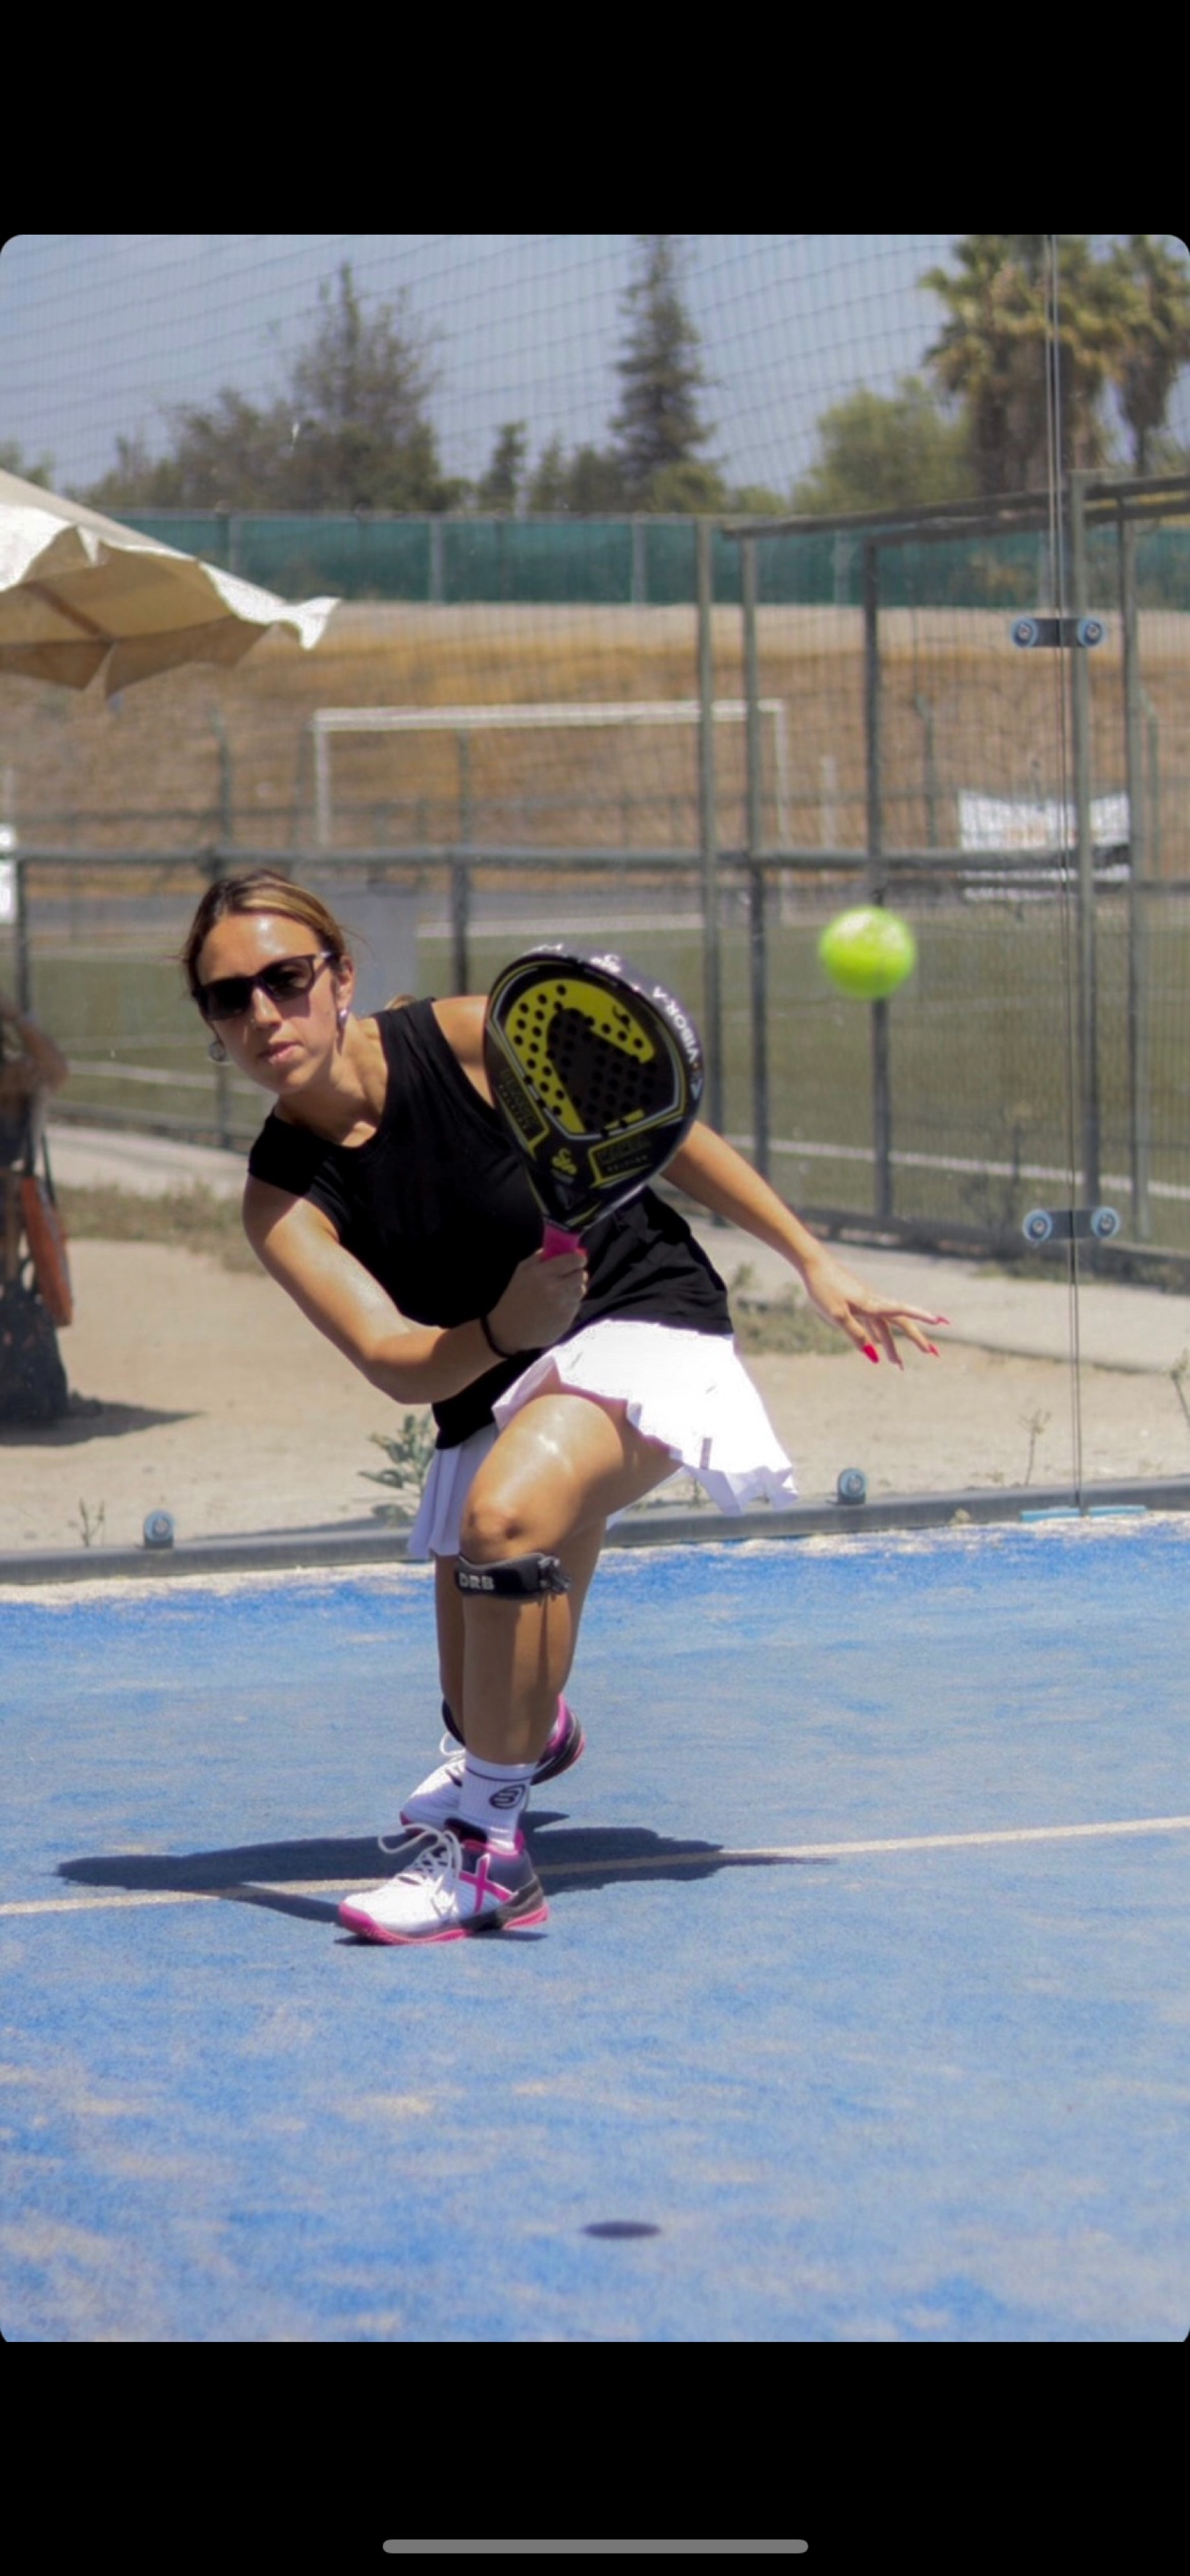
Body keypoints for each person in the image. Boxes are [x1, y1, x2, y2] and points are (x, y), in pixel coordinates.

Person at [182, 870, 947, 1947]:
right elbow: (396, 1361)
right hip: (489, 1378)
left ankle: (489, 1860)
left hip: (637, 1315)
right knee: (483, 1707)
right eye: (229, 998)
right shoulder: (281, 1197)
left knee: (503, 1521)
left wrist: (812, 1259)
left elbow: (658, 1126)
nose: (263, 1012)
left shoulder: (462, 1038)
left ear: (340, 977)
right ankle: (529, 1735)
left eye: (286, 978)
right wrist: (504, 1328)